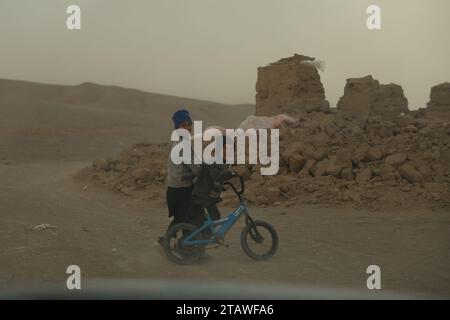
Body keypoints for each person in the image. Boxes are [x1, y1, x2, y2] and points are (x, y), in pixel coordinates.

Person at [158, 109, 200, 245]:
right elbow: (195, 168)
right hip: (181, 190)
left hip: (177, 188)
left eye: (189, 124)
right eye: (184, 125)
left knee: (181, 218)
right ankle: (187, 248)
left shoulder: (180, 142)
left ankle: (169, 242)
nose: (188, 127)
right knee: (187, 219)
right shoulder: (183, 145)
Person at [186, 136, 236, 236]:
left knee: (214, 217)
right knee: (213, 217)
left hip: (207, 196)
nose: (228, 151)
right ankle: (202, 240)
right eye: (225, 148)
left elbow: (212, 179)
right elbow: (215, 175)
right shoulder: (214, 160)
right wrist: (229, 174)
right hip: (203, 197)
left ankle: (204, 238)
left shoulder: (221, 162)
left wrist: (221, 185)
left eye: (231, 149)